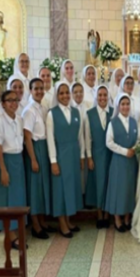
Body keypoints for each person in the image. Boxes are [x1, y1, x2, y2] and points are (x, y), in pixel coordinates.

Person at [46, 82, 85, 238]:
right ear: (57, 95)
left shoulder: (76, 112)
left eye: (67, 93)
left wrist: (82, 156)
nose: (65, 96)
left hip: (74, 154)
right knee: (61, 189)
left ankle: (68, 220)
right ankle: (62, 223)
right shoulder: (52, 114)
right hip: (61, 154)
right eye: (61, 93)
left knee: (71, 188)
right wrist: (53, 161)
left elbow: (80, 136)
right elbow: (50, 139)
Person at [0, 90, 27, 251]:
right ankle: (10, 235)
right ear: (3, 104)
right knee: (7, 199)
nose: (14, 103)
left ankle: (16, 229)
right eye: (10, 100)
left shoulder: (19, 119)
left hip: (18, 160)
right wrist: (3, 169)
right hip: (6, 160)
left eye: (15, 100)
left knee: (18, 198)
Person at [23, 78, 54, 240]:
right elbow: (27, 137)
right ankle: (35, 225)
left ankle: (42, 221)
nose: (39, 91)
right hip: (34, 149)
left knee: (43, 187)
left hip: (43, 147)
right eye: (36, 89)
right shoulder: (29, 110)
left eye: (41, 88)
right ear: (30, 90)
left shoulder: (43, 107)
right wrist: (33, 159)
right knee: (35, 188)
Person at [105, 94, 140, 233]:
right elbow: (109, 142)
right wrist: (125, 151)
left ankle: (127, 217)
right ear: (118, 106)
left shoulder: (134, 122)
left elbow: (138, 139)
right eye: (123, 104)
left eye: (127, 104)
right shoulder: (112, 123)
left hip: (131, 162)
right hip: (119, 161)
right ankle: (117, 219)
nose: (125, 107)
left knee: (129, 189)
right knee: (118, 189)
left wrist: (134, 149)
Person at [85, 85, 114, 229]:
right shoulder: (89, 114)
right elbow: (88, 138)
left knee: (109, 182)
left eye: (105, 95)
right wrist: (89, 157)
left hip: (111, 153)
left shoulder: (113, 112)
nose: (102, 98)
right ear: (96, 97)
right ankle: (99, 213)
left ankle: (107, 213)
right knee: (98, 183)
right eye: (100, 95)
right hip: (97, 153)